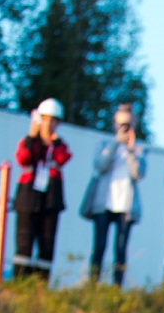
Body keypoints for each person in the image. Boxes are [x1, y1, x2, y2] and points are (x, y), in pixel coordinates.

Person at [83, 103, 145, 286]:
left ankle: (116, 288)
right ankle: (92, 285)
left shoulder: (139, 149)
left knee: (121, 249)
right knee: (99, 246)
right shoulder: (104, 144)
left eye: (128, 124)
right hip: (103, 204)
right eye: (121, 124)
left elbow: (138, 174)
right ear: (114, 124)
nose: (124, 128)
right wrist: (115, 143)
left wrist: (131, 150)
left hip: (125, 206)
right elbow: (100, 165)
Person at [13, 99, 71, 283]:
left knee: (47, 245)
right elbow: (23, 158)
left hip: (51, 199)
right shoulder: (28, 141)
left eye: (54, 120)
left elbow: (63, 158)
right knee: (24, 243)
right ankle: (20, 283)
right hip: (28, 198)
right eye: (46, 119)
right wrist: (32, 135)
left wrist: (52, 142)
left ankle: (40, 287)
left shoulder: (59, 145)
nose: (50, 124)